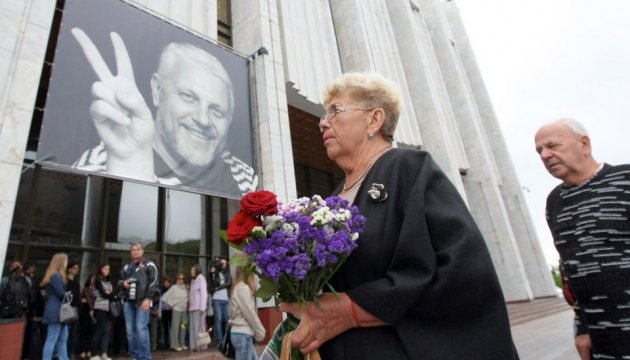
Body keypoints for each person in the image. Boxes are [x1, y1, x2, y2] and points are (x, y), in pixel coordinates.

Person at [263, 72, 518, 359]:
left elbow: (464, 271)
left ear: (374, 120)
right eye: (324, 114)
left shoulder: (409, 169)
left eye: (335, 110)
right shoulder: (332, 198)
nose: (322, 121)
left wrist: (351, 311)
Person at [69, 28, 256, 196]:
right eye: (189, 97)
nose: (203, 120)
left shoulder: (246, 178)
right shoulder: (105, 162)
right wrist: (128, 167)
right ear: (157, 90)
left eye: (217, 110)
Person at [534, 118, 630, 359]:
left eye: (552, 145)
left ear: (584, 144)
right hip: (603, 342)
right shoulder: (554, 202)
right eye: (539, 151)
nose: (545, 155)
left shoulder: (625, 180)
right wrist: (582, 328)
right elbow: (570, 270)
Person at [119, 242, 159, 360]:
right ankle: (135, 357)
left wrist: (148, 299)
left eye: (138, 249)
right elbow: (119, 281)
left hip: (143, 302)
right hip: (128, 302)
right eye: (133, 249)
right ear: (131, 252)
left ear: (142, 251)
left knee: (141, 329)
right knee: (130, 333)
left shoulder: (150, 265)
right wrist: (123, 283)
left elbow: (154, 283)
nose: (135, 251)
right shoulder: (127, 267)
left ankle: (145, 357)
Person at [228, 266, 265, 360]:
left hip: (241, 334)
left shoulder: (237, 286)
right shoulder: (242, 288)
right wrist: (260, 331)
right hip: (243, 334)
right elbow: (249, 312)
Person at [41, 252, 70, 360]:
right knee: (52, 338)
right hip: (56, 311)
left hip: (59, 311)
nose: (67, 263)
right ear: (61, 262)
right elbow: (60, 293)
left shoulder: (55, 276)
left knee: (62, 338)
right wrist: (68, 295)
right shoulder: (56, 276)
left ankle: (64, 358)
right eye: (66, 261)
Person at [90, 264, 114, 360]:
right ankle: (94, 354)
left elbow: (111, 293)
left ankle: (104, 353)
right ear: (100, 269)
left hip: (108, 309)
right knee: (98, 331)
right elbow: (104, 294)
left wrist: (110, 294)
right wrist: (110, 295)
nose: (107, 270)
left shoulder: (108, 282)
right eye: (105, 268)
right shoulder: (97, 280)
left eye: (108, 268)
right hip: (100, 308)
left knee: (106, 332)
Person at [161, 273, 188, 351]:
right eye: (179, 279)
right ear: (176, 280)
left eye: (182, 279)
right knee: (175, 328)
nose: (181, 280)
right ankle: (175, 345)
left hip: (184, 310)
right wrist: (171, 304)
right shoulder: (173, 287)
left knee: (183, 327)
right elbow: (165, 297)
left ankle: (182, 343)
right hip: (177, 310)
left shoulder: (185, 288)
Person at [210, 257, 231, 345]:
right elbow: (213, 284)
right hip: (216, 299)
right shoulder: (215, 273)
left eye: (224, 263)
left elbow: (228, 283)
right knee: (218, 319)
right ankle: (219, 340)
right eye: (221, 263)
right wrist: (213, 274)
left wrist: (218, 288)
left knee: (226, 320)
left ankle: (226, 339)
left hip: (225, 299)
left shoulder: (227, 274)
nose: (222, 265)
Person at [188, 264, 208, 351]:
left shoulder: (201, 278)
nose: (192, 272)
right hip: (192, 307)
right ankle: (194, 345)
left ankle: (201, 345)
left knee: (199, 327)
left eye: (193, 270)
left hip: (199, 307)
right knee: (193, 328)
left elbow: (204, 293)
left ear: (197, 270)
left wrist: (202, 307)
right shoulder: (193, 281)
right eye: (191, 270)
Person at [78, 274, 96, 360]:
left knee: (91, 332)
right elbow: (84, 300)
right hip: (85, 312)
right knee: (84, 332)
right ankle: (82, 351)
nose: (93, 280)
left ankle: (89, 350)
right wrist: (90, 307)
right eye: (92, 279)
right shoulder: (85, 289)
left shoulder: (95, 290)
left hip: (93, 312)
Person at [65, 262, 81, 359]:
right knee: (66, 332)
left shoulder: (76, 282)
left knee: (73, 333)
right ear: (69, 269)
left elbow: (77, 296)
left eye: (77, 268)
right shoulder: (65, 281)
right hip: (66, 308)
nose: (76, 270)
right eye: (74, 268)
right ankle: (64, 352)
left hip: (74, 308)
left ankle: (71, 352)